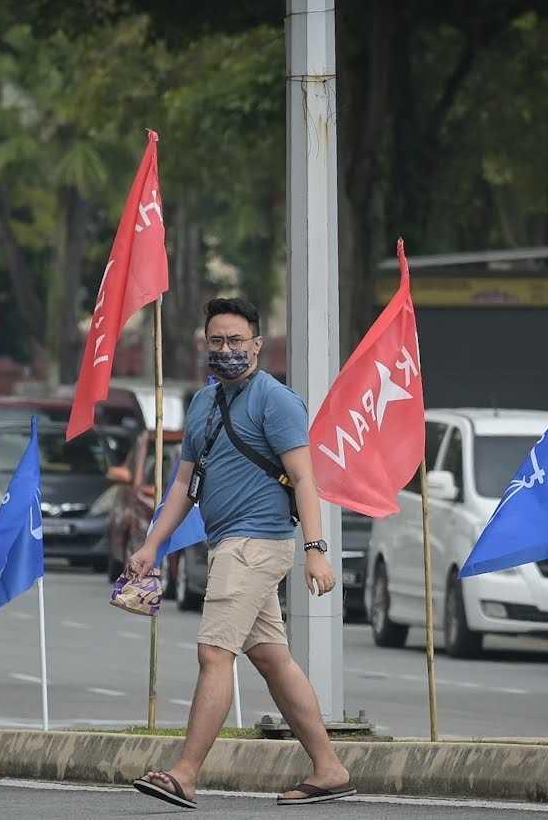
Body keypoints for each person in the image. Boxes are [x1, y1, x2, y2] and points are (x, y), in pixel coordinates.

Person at [127, 297, 354, 810]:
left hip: (256, 543)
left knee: (214, 653)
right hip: (228, 543)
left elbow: (304, 478)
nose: (226, 350)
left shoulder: (275, 401)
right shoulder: (205, 403)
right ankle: (329, 767)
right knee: (272, 658)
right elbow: (185, 482)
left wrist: (316, 551)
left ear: (257, 345)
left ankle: (185, 773)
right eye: (216, 342)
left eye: (235, 341)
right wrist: (152, 544)